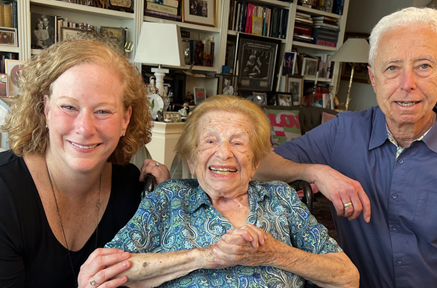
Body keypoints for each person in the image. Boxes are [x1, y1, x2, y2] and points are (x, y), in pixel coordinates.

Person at [254, 7, 437, 288]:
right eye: (392, 68)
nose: (407, 84)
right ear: (374, 78)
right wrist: (317, 172)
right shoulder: (342, 131)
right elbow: (258, 166)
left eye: (423, 66)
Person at [80, 95, 359, 288]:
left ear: (255, 162)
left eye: (238, 143)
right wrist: (207, 256)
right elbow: (104, 272)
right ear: (192, 159)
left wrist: (274, 253)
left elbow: (347, 276)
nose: (223, 153)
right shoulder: (170, 198)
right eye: (210, 140)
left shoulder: (280, 197)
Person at [0, 39, 170, 287]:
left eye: (103, 111)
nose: (84, 128)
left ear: (125, 119)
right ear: (46, 109)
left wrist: (167, 202)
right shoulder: (5, 194)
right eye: (69, 106)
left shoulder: (131, 187)